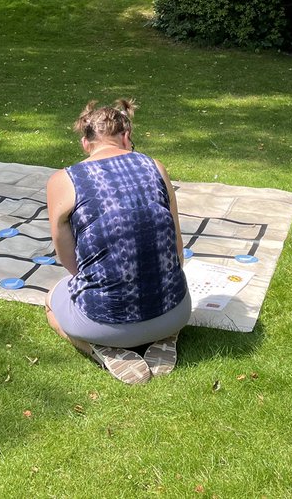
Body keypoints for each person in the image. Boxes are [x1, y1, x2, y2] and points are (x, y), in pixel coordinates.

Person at [45, 99, 190, 385]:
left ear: (86, 144)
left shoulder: (63, 180)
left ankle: (100, 349)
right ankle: (164, 335)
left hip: (104, 323)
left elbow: (68, 260)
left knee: (52, 299)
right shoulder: (155, 166)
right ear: (126, 137)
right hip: (176, 311)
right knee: (161, 281)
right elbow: (176, 245)